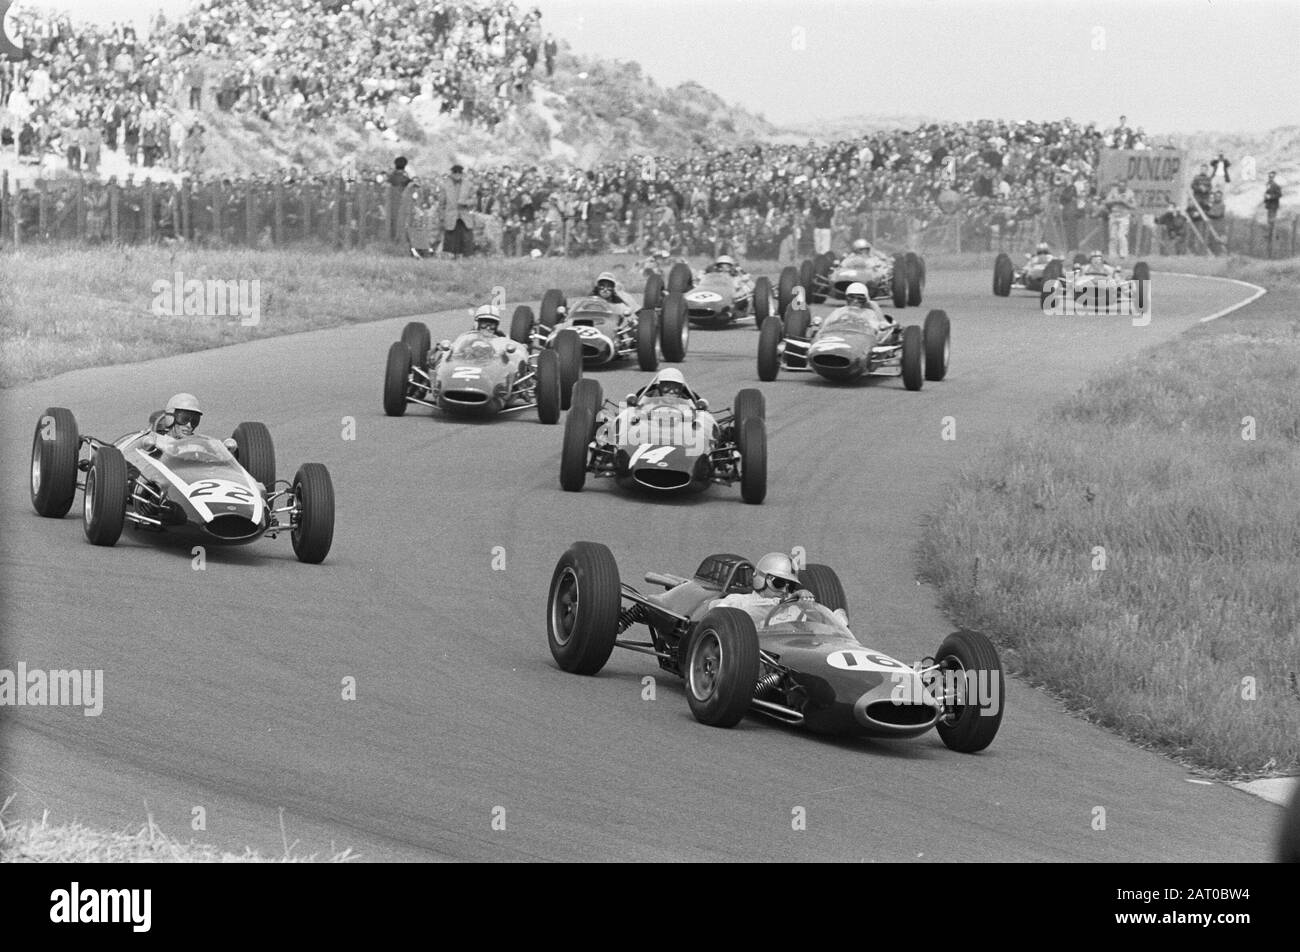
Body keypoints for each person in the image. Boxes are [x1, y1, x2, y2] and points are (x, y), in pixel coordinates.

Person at [442, 163, 475, 258]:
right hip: (451, 216)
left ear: (462, 173)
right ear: (451, 173)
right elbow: (442, 203)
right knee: (451, 239)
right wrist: (442, 217)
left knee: (466, 238)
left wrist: (465, 202)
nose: (457, 174)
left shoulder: (468, 185)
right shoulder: (445, 185)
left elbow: (474, 199)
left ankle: (467, 257)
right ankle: (450, 258)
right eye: (455, 172)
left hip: (464, 216)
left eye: (459, 172)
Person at [1103, 178, 1136, 260]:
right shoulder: (1113, 191)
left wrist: (1125, 202)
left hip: (1124, 216)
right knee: (1112, 236)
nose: (1121, 188)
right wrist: (1115, 200)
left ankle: (1123, 255)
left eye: (1123, 186)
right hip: (1114, 215)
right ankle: (1112, 255)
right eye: (1119, 186)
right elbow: (1107, 201)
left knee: (1121, 235)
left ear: (1126, 186)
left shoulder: (1130, 193)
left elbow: (1134, 206)